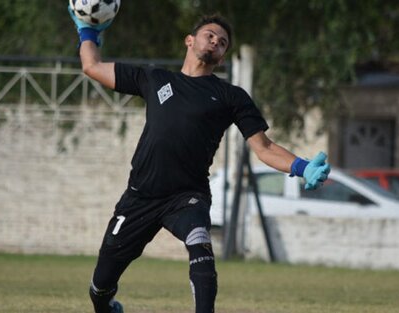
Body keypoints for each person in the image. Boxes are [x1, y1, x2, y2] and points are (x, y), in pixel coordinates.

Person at [69, 8, 330, 313]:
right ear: (189, 40)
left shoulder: (231, 96)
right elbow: (92, 66)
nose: (216, 43)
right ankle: (105, 305)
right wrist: (87, 30)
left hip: (186, 196)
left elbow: (264, 147)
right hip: (140, 197)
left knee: (200, 243)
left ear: (222, 57)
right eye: (210, 36)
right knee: (100, 285)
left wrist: (302, 166)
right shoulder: (153, 77)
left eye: (222, 43)